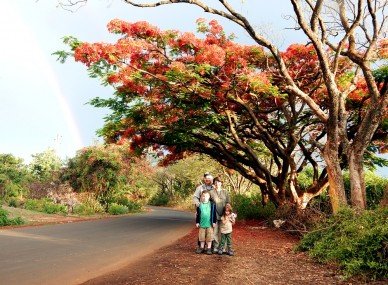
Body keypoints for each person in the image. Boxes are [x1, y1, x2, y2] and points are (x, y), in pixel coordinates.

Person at [209, 177, 230, 253]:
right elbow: (207, 203)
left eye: (219, 182)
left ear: (221, 183)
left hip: (223, 216)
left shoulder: (225, 192)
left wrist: (228, 215)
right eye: (216, 182)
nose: (218, 183)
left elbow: (228, 203)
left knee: (223, 232)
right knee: (214, 232)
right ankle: (215, 247)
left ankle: (222, 248)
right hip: (214, 215)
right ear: (214, 183)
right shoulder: (211, 192)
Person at [195, 190, 217, 254]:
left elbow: (214, 214)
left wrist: (214, 222)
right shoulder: (199, 205)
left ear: (209, 196)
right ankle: (201, 247)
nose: (205, 197)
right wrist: (197, 222)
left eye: (206, 196)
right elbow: (198, 215)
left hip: (209, 224)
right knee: (201, 237)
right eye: (203, 196)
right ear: (201, 197)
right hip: (202, 224)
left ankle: (209, 248)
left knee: (209, 237)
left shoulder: (212, 204)